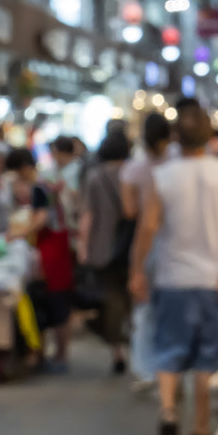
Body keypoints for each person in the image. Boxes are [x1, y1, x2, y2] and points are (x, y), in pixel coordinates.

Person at [130, 100, 218, 435]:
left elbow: (148, 227)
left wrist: (136, 270)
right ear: (210, 135)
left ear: (176, 138)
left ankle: (168, 413)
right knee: (208, 359)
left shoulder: (163, 176)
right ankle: (199, 432)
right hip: (216, 281)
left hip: (172, 278)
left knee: (168, 350)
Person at [76, 129, 135, 374]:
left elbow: (88, 216)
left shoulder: (95, 177)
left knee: (110, 299)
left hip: (104, 247)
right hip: (132, 247)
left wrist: (83, 246)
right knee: (132, 297)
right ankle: (137, 346)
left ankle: (117, 352)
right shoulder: (133, 175)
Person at [120, 111, 172, 387]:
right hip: (177, 241)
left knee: (144, 310)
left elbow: (129, 211)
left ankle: (147, 371)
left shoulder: (134, 169)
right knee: (173, 309)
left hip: (146, 241)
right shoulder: (176, 165)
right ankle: (172, 369)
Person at [9, 148, 72, 370]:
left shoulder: (39, 187)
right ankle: (60, 353)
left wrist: (20, 232)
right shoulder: (48, 181)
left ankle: (60, 354)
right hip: (58, 242)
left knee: (55, 298)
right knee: (58, 298)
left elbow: (42, 218)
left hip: (51, 246)